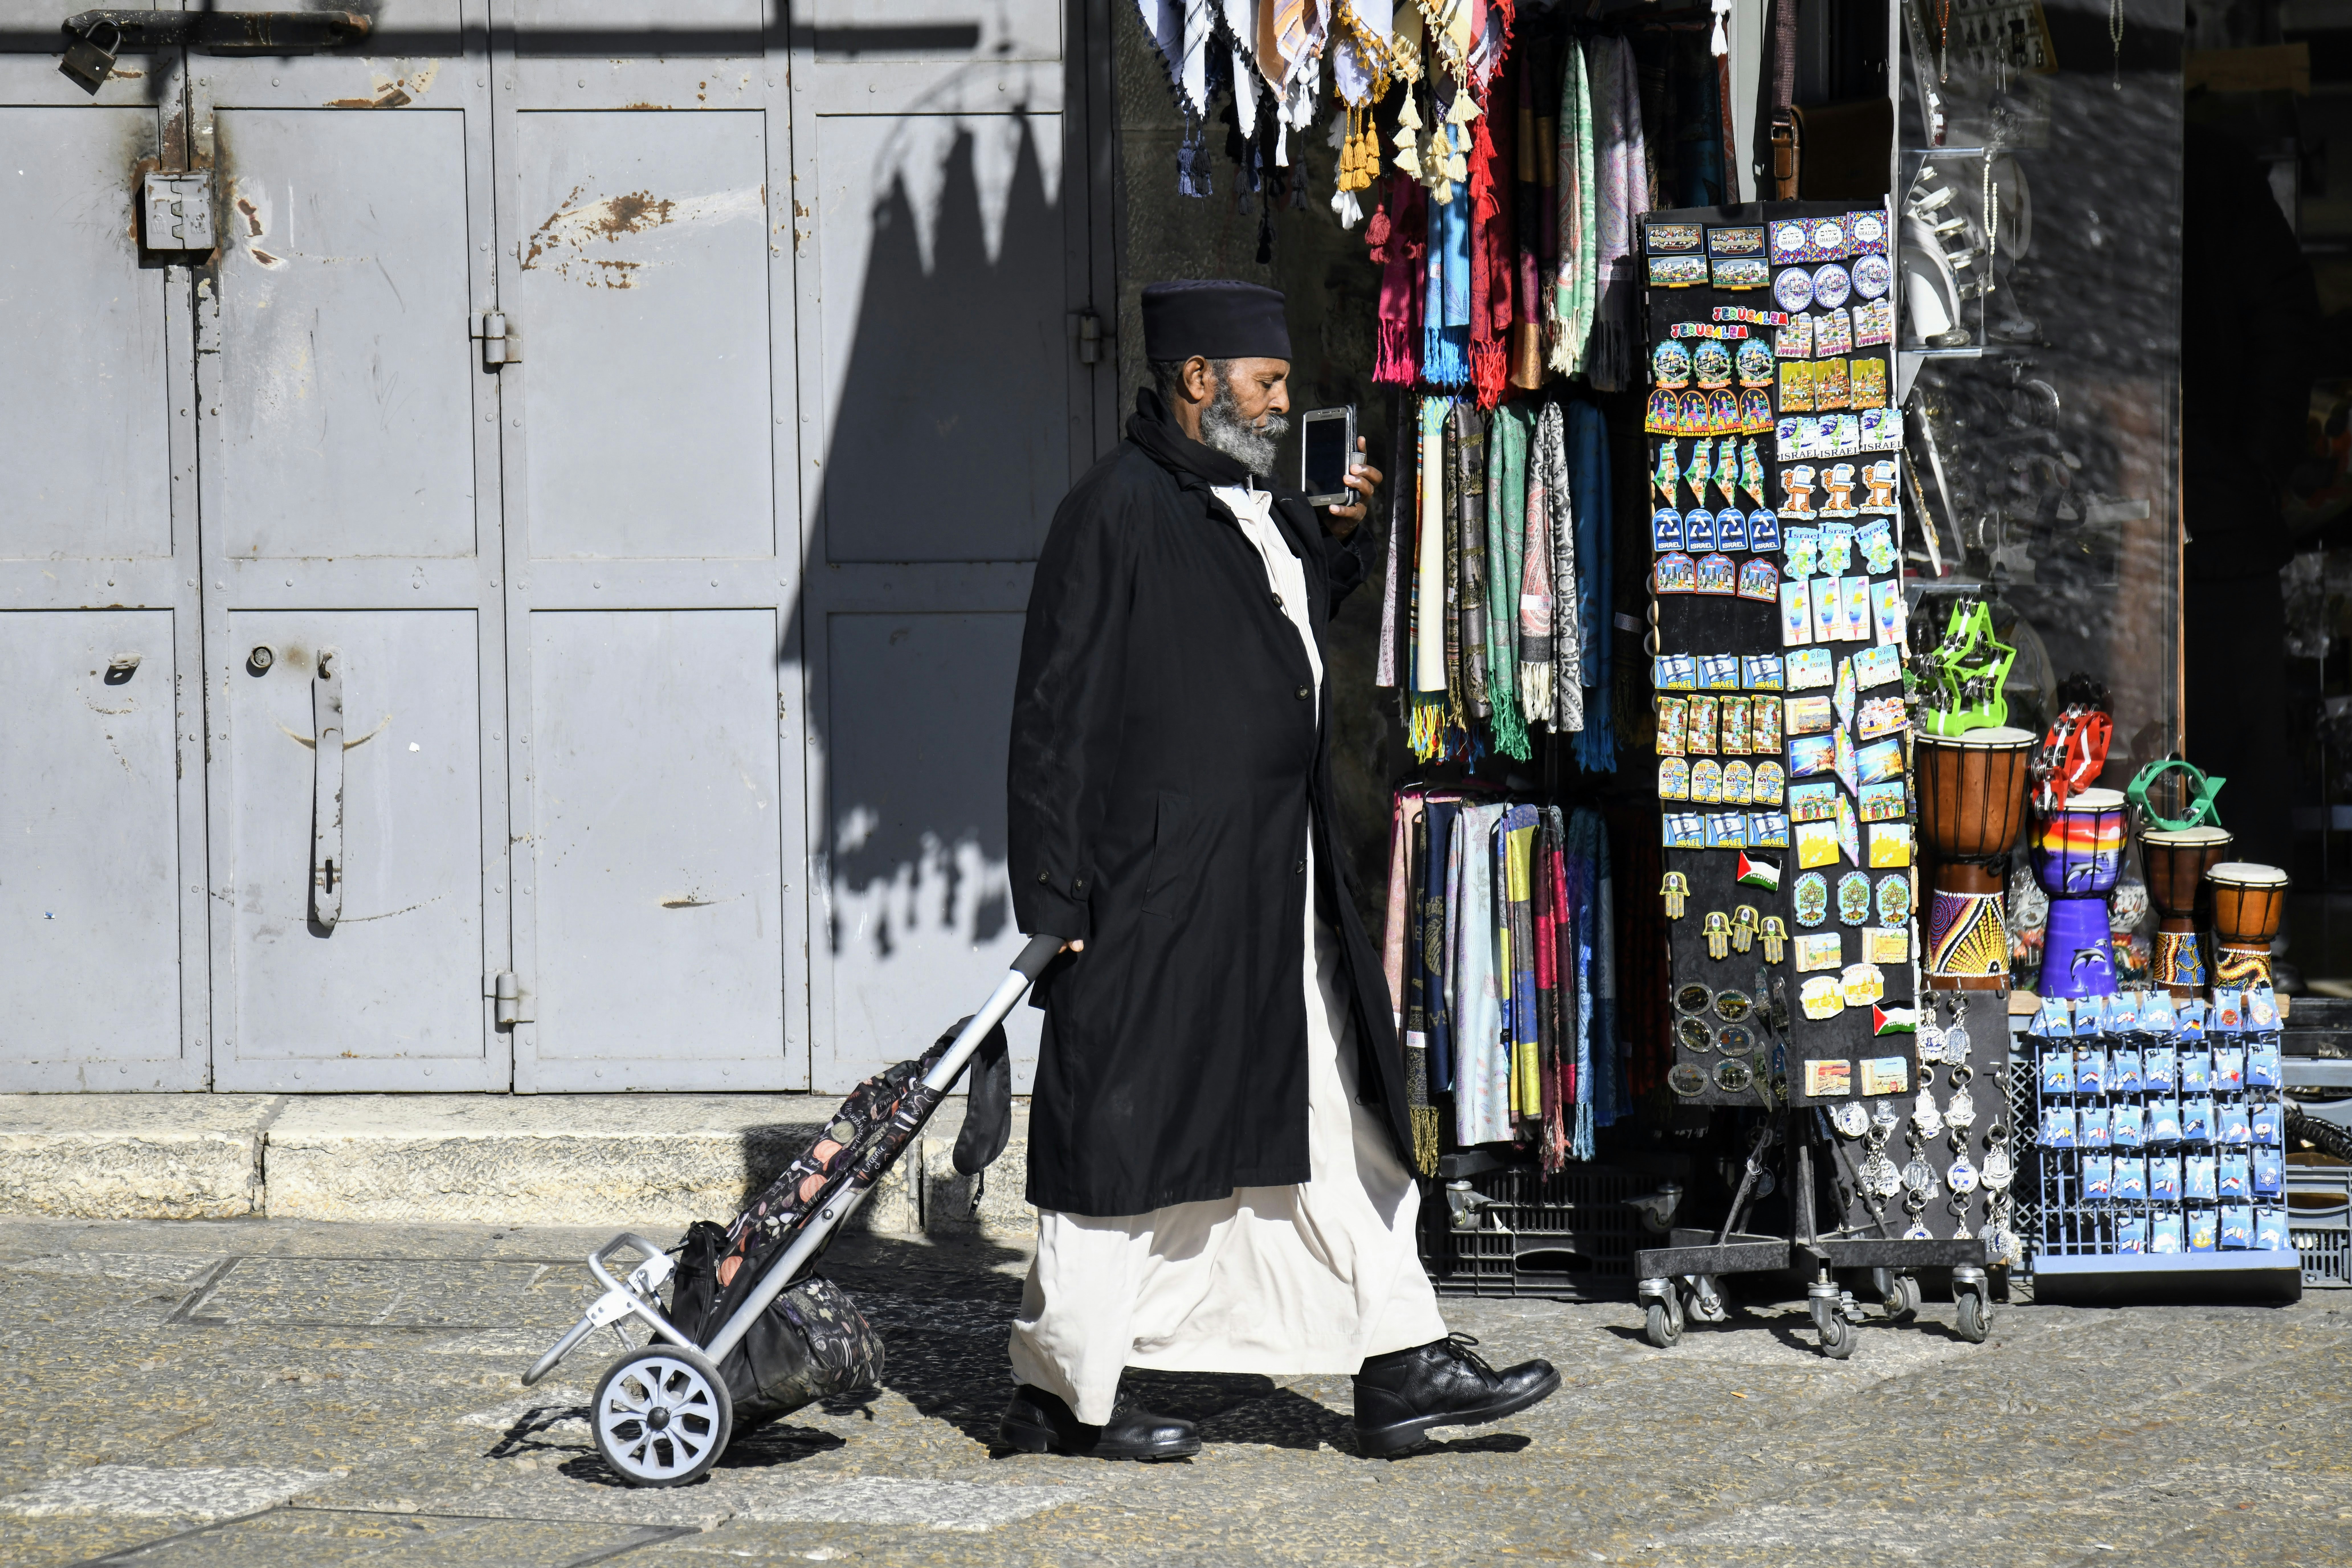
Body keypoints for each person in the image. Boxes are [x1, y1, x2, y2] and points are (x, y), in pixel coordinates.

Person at [1000, 279, 1559, 1461]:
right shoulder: (1115, 511)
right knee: (1127, 1133)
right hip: (1157, 891)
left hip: (1273, 879)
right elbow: (1053, 716)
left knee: (1333, 1116)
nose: (1285, 402)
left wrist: (1337, 546)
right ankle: (1064, 1394)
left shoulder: (1254, 506)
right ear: (1198, 381)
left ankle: (1402, 1362)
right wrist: (1055, 898)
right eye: (1266, 383)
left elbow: (1278, 640)